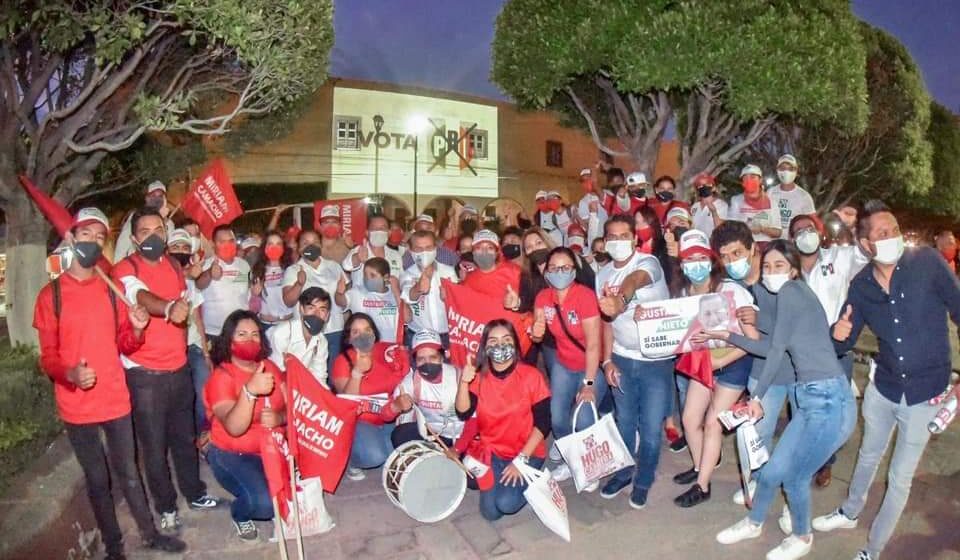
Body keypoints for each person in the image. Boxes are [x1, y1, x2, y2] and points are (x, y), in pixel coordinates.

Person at [34, 208, 186, 559]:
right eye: (85, 234)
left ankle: (149, 533)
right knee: (97, 479)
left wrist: (135, 326)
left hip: (116, 397)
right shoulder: (50, 296)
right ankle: (114, 546)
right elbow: (48, 357)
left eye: (100, 237)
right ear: (70, 239)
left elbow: (125, 344)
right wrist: (71, 374)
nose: (93, 242)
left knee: (129, 472)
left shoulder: (111, 291)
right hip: (76, 405)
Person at [812, 201, 960, 560]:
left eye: (893, 229)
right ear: (865, 244)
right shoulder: (862, 285)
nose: (891, 236)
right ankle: (850, 512)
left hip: (927, 395)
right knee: (867, 456)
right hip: (884, 388)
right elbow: (844, 340)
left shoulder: (927, 262)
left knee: (899, 478)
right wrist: (838, 332)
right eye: (881, 232)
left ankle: (872, 550)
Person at [706, 240, 857, 560]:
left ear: (792, 270)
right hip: (813, 396)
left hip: (828, 399)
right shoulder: (792, 298)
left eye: (780, 266)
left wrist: (755, 396)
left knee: (795, 477)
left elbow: (774, 351)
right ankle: (754, 521)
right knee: (773, 469)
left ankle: (802, 536)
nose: (772, 272)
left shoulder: (791, 292)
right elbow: (773, 346)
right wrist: (724, 336)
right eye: (769, 267)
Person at [111, 208, 219, 534]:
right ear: (133, 239)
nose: (154, 236)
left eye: (159, 229)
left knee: (184, 440)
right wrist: (169, 308)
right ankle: (166, 505)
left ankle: (194, 492)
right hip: (145, 376)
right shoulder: (124, 268)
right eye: (145, 231)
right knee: (154, 447)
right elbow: (138, 296)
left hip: (179, 368)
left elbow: (189, 299)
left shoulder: (173, 265)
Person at [672, 230, 757, 508]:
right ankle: (700, 467)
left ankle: (703, 485)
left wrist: (723, 360)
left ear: (710, 260)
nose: (695, 264)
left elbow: (753, 340)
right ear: (682, 265)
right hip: (704, 364)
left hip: (733, 364)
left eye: (701, 257)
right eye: (689, 259)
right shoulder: (683, 295)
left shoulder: (732, 291)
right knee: (689, 418)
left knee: (712, 422)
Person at [595, 214, 673, 508]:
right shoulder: (601, 275)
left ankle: (644, 480)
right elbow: (606, 322)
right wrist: (606, 362)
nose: (617, 242)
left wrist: (621, 302)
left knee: (651, 429)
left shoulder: (647, 262)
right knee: (624, 423)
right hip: (622, 360)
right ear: (604, 242)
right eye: (611, 237)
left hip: (656, 362)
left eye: (623, 236)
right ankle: (625, 472)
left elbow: (634, 280)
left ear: (634, 239)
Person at [455, 320, 551, 521]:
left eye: (506, 340)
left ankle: (536, 482)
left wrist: (521, 460)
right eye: (493, 341)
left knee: (505, 504)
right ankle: (498, 481)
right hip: (494, 452)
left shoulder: (531, 376)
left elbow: (543, 423)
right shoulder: (480, 377)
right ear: (485, 347)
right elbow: (463, 412)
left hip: (527, 451)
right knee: (491, 513)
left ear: (515, 344)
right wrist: (464, 382)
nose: (500, 346)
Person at [205, 310, 286, 541]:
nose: (250, 340)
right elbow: (234, 427)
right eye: (241, 334)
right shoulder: (222, 376)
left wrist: (280, 418)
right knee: (264, 505)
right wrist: (249, 392)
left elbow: (292, 407)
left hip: (271, 449)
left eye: (255, 334)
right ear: (229, 341)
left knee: (291, 497)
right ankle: (240, 514)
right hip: (233, 453)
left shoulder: (270, 367)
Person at [531, 247, 607, 489]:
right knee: (558, 417)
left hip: (590, 365)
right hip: (564, 364)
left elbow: (594, 344)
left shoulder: (584, 296)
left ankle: (589, 465)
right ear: (546, 272)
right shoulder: (543, 298)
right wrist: (535, 332)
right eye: (553, 268)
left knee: (584, 418)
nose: (559, 272)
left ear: (574, 271)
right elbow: (537, 330)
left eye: (565, 268)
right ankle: (572, 461)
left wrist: (589, 384)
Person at [330, 313, 408, 478]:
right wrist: (357, 372)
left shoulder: (386, 353)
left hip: (388, 417)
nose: (363, 335)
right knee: (375, 457)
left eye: (367, 330)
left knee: (401, 456)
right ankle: (350, 459)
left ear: (374, 333)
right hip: (359, 422)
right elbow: (347, 401)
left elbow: (402, 379)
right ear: (348, 338)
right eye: (356, 332)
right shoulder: (342, 360)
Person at [381, 330, 467, 448]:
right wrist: (396, 406)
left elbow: (477, 420)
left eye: (433, 357)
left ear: (442, 358)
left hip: (460, 436)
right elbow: (384, 415)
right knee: (400, 434)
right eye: (421, 359)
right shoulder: (412, 381)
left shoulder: (460, 378)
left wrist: (457, 449)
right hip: (431, 434)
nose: (427, 363)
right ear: (415, 361)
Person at [167, 228, 213, 439]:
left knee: (203, 393)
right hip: (170, 351)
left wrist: (205, 353)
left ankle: (197, 435)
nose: (180, 251)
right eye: (175, 247)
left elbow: (197, 319)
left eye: (184, 248)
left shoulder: (192, 284)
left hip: (193, 347)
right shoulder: (160, 280)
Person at [283, 229, 348, 372]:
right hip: (307, 331)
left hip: (334, 330)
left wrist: (340, 293)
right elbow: (288, 302)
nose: (311, 246)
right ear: (299, 248)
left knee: (333, 374)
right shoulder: (293, 270)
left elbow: (343, 301)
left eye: (315, 242)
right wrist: (299, 284)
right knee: (308, 375)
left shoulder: (334, 266)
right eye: (305, 243)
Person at [195, 225, 251, 347]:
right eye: (222, 242)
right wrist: (209, 273)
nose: (228, 245)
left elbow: (247, 294)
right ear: (213, 244)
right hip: (215, 334)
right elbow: (198, 284)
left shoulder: (244, 265)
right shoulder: (205, 265)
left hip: (241, 332)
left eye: (231, 241)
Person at [401, 229, 459, 348]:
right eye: (419, 249)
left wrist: (450, 298)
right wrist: (418, 288)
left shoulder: (448, 271)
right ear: (411, 251)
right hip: (418, 335)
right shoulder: (407, 274)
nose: (424, 253)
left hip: (447, 334)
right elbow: (408, 295)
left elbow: (459, 302)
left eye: (429, 248)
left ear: (435, 248)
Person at [267, 287, 331, 386]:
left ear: (327, 316)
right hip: (275, 386)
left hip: (301, 388)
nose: (316, 314)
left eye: (322, 310)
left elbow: (320, 377)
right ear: (301, 309)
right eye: (311, 308)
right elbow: (276, 374)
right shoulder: (282, 334)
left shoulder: (321, 341)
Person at [337, 256, 402, 343]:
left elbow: (407, 318)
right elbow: (341, 301)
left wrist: (397, 292)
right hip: (364, 346)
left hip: (389, 346)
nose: (367, 279)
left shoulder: (394, 293)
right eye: (365, 275)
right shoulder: (357, 292)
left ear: (385, 277)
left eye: (372, 275)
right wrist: (339, 293)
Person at [113, 181, 175, 259]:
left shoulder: (169, 223)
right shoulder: (136, 217)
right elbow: (123, 244)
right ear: (147, 198)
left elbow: (168, 247)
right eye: (153, 195)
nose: (157, 199)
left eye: (160, 196)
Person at [342, 213, 403, 287]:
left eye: (382, 228)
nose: (379, 231)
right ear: (367, 233)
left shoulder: (396, 255)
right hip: (362, 297)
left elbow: (402, 280)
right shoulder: (359, 250)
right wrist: (357, 258)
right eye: (374, 228)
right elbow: (346, 266)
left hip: (389, 297)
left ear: (389, 233)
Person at [250, 230, 295, 329]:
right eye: (270, 244)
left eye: (278, 244)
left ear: (283, 247)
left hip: (288, 324)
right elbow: (253, 309)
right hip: (266, 325)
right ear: (264, 247)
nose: (274, 247)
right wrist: (255, 295)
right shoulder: (257, 271)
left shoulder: (291, 269)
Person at [729, 164, 782, 247]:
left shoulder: (772, 202)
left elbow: (778, 232)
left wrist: (762, 229)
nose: (749, 180)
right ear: (742, 183)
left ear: (760, 180)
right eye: (745, 178)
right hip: (743, 245)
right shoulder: (736, 200)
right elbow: (731, 227)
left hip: (765, 246)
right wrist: (747, 228)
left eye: (753, 177)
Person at [463, 229, 522, 301]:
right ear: (473, 252)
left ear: (497, 253)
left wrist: (517, 304)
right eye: (479, 247)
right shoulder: (469, 280)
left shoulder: (515, 272)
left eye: (490, 247)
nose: (484, 251)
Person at [767, 154, 815, 239]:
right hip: (773, 242)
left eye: (790, 169)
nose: (786, 172)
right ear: (777, 170)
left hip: (795, 243)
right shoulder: (770, 193)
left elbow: (813, 221)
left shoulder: (804, 196)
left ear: (796, 172)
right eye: (782, 168)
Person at [689, 173, 728, 239]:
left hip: (713, 244)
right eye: (700, 185)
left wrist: (714, 212)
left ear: (713, 188)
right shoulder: (695, 206)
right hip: (697, 244)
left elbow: (722, 229)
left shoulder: (722, 205)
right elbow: (692, 227)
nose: (704, 187)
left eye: (707, 184)